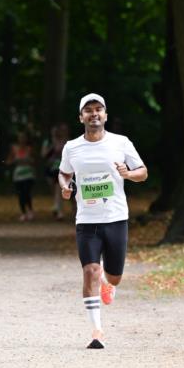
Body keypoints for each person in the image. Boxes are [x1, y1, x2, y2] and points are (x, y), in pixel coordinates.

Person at [58, 93, 148, 349]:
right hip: (86, 221)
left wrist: (128, 174)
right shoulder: (72, 147)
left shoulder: (121, 143)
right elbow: (64, 173)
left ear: (105, 115)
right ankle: (96, 331)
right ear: (81, 117)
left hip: (116, 218)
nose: (94, 114)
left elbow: (143, 172)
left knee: (113, 276)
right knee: (90, 271)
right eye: (88, 110)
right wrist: (65, 187)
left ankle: (110, 285)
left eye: (98, 109)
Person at [6, 131, 36, 221]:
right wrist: (13, 161)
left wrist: (29, 160)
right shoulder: (14, 148)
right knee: (20, 194)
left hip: (28, 174)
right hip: (18, 174)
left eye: (23, 137)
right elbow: (8, 161)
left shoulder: (29, 148)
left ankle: (30, 211)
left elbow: (34, 160)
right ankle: (23, 213)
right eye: (20, 137)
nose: (22, 139)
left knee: (27, 192)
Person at [41, 122, 69, 219]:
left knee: (58, 187)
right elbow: (43, 155)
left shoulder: (65, 141)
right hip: (50, 168)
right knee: (55, 189)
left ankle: (59, 209)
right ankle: (57, 206)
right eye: (54, 132)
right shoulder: (48, 142)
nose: (56, 133)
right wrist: (52, 147)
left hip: (61, 168)